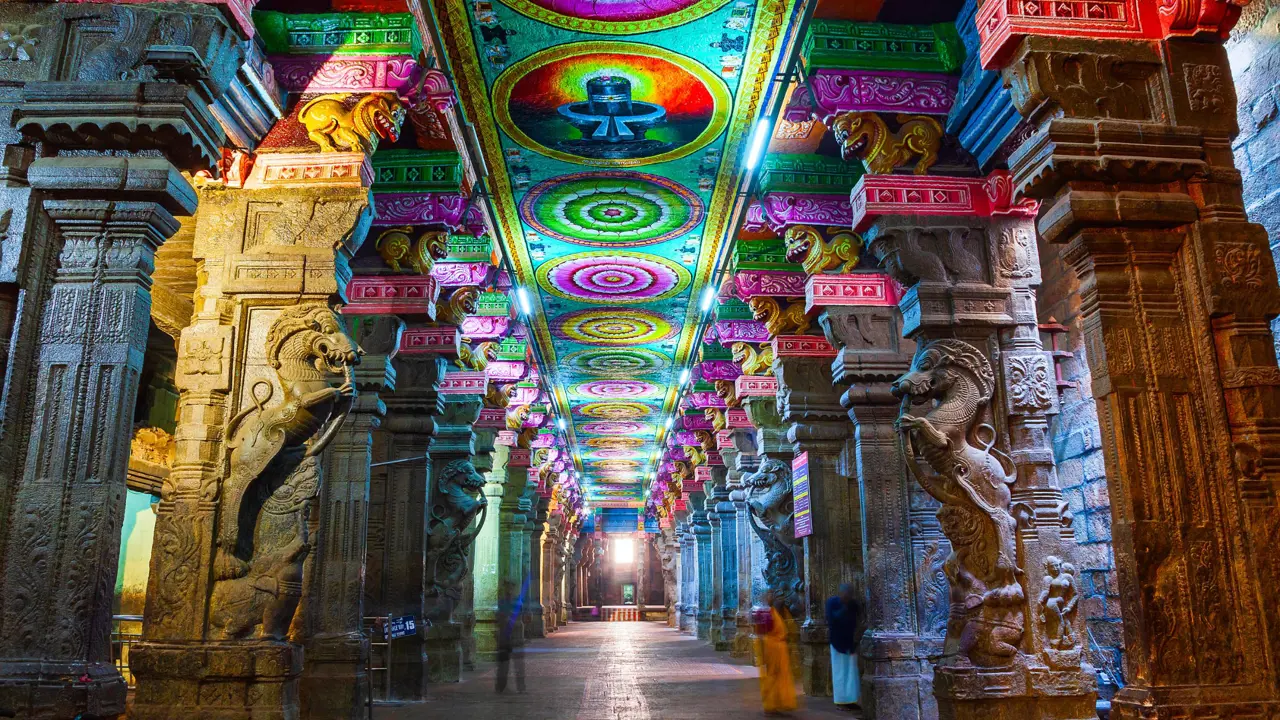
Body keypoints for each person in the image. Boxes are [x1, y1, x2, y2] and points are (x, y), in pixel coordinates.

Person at [756, 590, 797, 715]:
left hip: (779, 649)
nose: (771, 597)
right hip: (770, 648)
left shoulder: (778, 612)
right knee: (771, 677)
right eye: (769, 595)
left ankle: (782, 702)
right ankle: (770, 705)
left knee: (782, 676)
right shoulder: (765, 613)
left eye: (772, 595)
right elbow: (761, 634)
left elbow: (788, 629)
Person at [825, 584, 860, 711]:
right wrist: (843, 608)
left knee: (851, 674)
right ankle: (840, 701)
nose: (847, 596)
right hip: (837, 642)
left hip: (850, 643)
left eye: (850, 594)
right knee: (840, 673)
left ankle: (850, 700)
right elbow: (832, 619)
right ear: (841, 593)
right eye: (845, 594)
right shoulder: (832, 603)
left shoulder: (853, 604)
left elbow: (857, 619)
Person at [495, 579, 526, 693]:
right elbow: (500, 618)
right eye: (507, 587)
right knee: (503, 665)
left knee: (518, 665)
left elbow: (521, 618)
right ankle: (501, 687)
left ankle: (520, 687)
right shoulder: (502, 603)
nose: (509, 590)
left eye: (511, 587)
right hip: (505, 638)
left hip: (516, 637)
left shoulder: (517, 603)